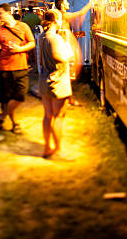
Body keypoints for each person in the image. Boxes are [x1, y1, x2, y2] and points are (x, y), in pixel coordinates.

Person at [0, 3, 35, 134]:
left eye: (0, 13)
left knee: (20, 96)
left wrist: (20, 49)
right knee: (6, 99)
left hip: (21, 67)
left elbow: (32, 43)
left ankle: (1, 117)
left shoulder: (23, 26)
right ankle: (14, 123)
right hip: (5, 68)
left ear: (8, 13)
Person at [37, 10, 74, 159]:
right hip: (57, 81)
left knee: (47, 115)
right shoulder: (55, 38)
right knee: (59, 117)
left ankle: (47, 147)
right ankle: (58, 151)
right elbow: (59, 56)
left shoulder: (41, 37)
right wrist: (69, 50)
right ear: (56, 20)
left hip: (44, 79)